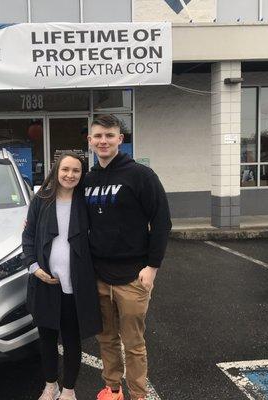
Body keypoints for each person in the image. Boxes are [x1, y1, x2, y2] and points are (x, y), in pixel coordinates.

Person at [84, 115, 172, 400]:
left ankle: (139, 394)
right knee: (106, 339)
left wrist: (152, 267)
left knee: (133, 343)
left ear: (120, 139)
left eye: (109, 135)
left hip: (133, 275)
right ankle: (112, 389)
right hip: (98, 275)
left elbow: (161, 221)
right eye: (98, 136)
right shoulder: (88, 179)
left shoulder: (140, 175)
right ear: (90, 141)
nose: (103, 141)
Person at [22, 151, 102, 400]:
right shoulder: (41, 200)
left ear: (82, 174)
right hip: (46, 283)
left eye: (76, 171)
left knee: (72, 340)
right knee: (46, 340)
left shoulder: (86, 201)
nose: (70, 175)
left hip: (75, 286)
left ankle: (68, 389)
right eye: (65, 169)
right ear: (56, 171)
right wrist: (34, 268)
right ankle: (50, 385)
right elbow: (28, 237)